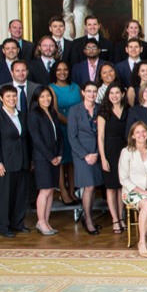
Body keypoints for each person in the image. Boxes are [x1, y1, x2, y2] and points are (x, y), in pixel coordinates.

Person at [0, 85, 31, 238]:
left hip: (22, 162)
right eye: (8, 96)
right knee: (5, 196)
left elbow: (25, 139)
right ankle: (3, 226)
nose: (12, 99)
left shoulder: (21, 115)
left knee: (20, 195)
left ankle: (17, 223)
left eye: (14, 96)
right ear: (1, 98)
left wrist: (29, 160)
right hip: (5, 163)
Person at [118, 121, 147, 257]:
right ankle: (142, 241)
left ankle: (142, 235)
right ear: (132, 136)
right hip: (131, 192)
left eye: (144, 131)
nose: (141, 134)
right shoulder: (126, 152)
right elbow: (123, 179)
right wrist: (142, 192)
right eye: (137, 132)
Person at [68, 81, 102, 235]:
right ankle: (87, 219)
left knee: (93, 186)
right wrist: (85, 155)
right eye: (89, 91)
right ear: (83, 92)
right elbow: (72, 137)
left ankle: (89, 217)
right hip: (82, 155)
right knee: (88, 187)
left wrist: (97, 153)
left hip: (97, 153)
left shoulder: (100, 109)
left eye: (94, 91)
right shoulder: (74, 110)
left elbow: (102, 134)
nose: (92, 94)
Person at [27, 86, 62, 235]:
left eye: (48, 96)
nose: (46, 99)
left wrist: (59, 154)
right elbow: (37, 140)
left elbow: (59, 136)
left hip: (55, 157)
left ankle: (46, 221)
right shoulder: (34, 115)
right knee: (45, 190)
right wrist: (50, 157)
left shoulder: (52, 113)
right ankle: (40, 222)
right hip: (42, 158)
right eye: (42, 97)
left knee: (51, 191)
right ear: (36, 99)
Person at [97, 82, 129, 234]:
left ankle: (121, 217)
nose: (114, 96)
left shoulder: (128, 109)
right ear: (107, 95)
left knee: (122, 186)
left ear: (122, 94)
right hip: (109, 151)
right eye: (111, 93)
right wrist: (103, 158)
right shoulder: (103, 111)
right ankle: (115, 219)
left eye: (117, 93)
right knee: (111, 187)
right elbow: (100, 137)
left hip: (125, 151)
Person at [49, 60, 81, 205]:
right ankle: (63, 191)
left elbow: (82, 107)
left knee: (73, 162)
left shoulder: (76, 87)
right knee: (62, 161)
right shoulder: (51, 88)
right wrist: (72, 124)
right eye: (59, 70)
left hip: (77, 129)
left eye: (65, 69)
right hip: (62, 128)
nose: (62, 72)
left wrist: (77, 125)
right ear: (54, 72)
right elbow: (55, 112)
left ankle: (73, 190)